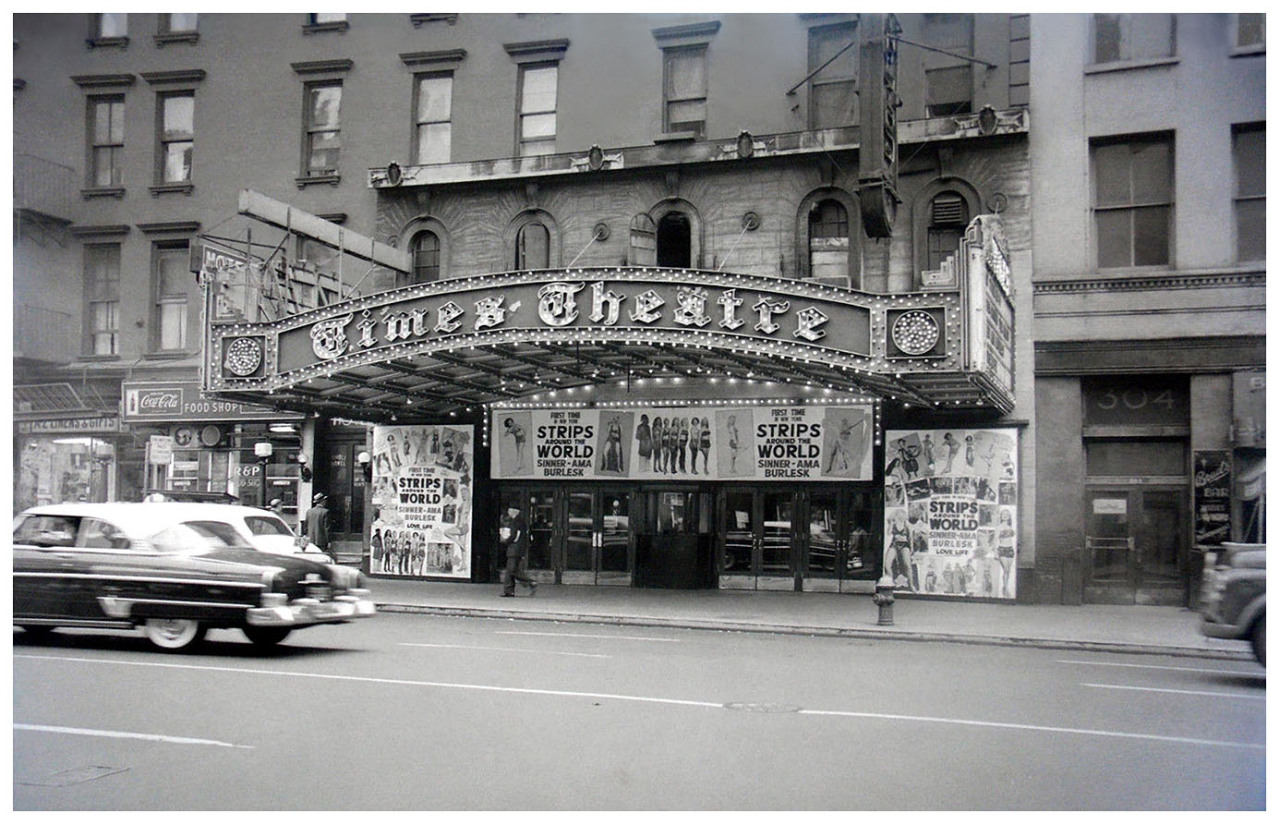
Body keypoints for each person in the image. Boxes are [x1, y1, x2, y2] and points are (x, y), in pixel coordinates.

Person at [500, 505, 537, 597]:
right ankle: (509, 591)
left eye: (510, 511)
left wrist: (505, 541)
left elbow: (514, 536)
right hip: (517, 549)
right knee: (510, 570)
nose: (509, 513)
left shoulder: (515, 522)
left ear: (515, 511)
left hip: (514, 549)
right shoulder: (521, 522)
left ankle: (530, 582)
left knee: (512, 570)